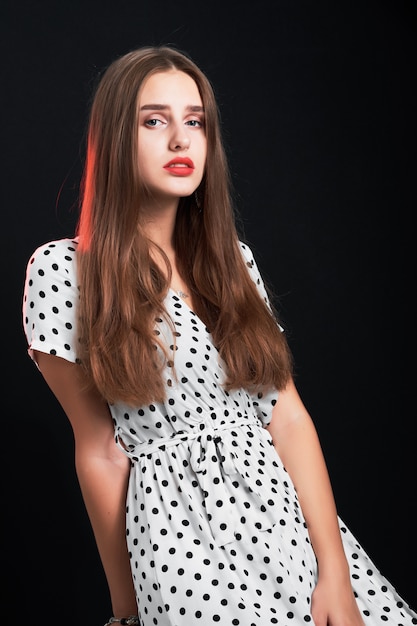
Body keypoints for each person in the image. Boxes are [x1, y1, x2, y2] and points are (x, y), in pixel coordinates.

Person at [22, 45, 416, 626]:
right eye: (154, 121)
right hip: (180, 548)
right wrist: (126, 606)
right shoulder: (64, 272)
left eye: (195, 121)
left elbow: (287, 417)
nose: (181, 140)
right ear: (112, 140)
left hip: (290, 530)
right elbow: (101, 451)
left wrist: (334, 572)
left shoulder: (233, 262)